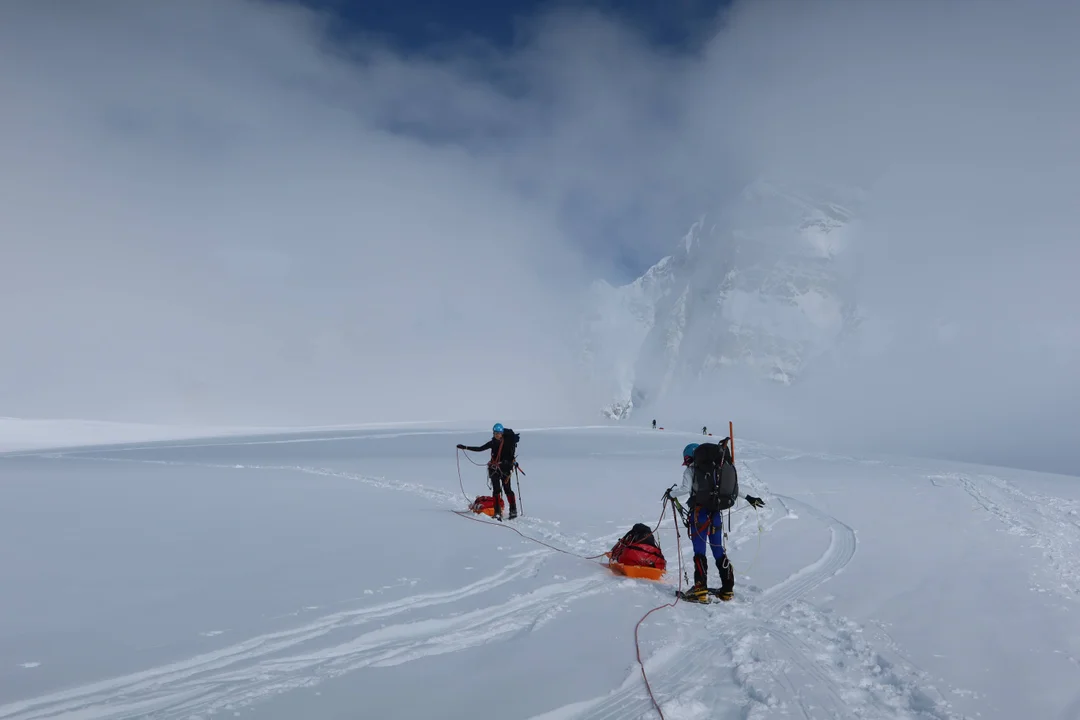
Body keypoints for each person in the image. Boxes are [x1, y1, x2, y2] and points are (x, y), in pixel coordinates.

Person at [664, 440, 764, 601]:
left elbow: (685, 489)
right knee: (718, 550)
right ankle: (727, 590)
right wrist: (750, 498)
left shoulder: (691, 471)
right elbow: (732, 489)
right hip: (716, 514)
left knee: (699, 552)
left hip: (699, 515)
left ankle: (701, 591)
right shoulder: (718, 472)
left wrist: (670, 494)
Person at [457, 423, 520, 521]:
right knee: (496, 491)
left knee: (507, 489)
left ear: (502, 433)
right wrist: (465, 447)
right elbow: (480, 448)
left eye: (498, 433)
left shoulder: (507, 443)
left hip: (505, 469)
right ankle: (497, 513)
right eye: (495, 433)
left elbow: (510, 455)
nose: (497, 435)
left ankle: (513, 510)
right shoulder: (492, 443)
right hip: (495, 469)